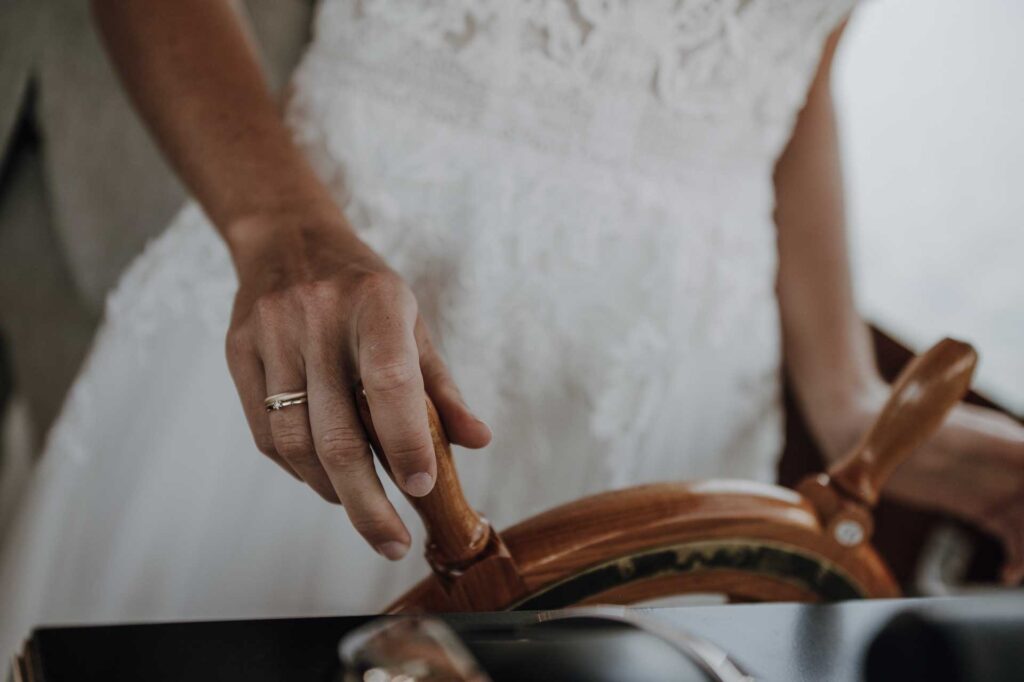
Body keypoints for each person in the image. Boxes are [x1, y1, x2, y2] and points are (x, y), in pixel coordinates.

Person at [2, 0, 1022, 657]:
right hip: (351, 318)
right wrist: (279, 227)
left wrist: (844, 391)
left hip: (676, 400)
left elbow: (791, 78)